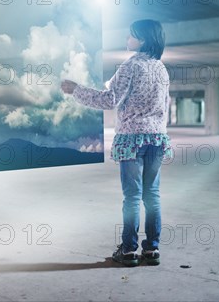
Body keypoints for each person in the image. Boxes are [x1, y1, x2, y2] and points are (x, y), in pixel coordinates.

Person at [61, 19, 172, 267]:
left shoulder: (130, 66)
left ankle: (129, 250)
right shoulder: (161, 68)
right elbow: (165, 106)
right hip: (157, 138)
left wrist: (76, 90)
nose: (127, 39)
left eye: (130, 35)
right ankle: (152, 250)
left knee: (132, 197)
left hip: (132, 139)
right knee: (152, 196)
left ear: (142, 39)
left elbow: (110, 100)